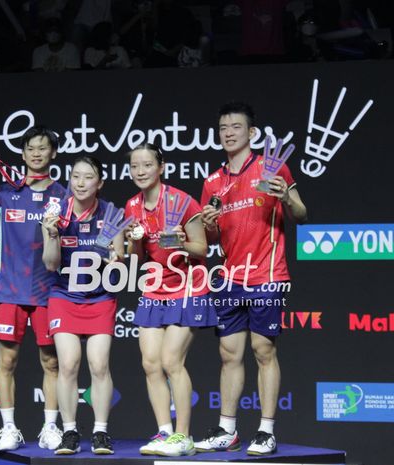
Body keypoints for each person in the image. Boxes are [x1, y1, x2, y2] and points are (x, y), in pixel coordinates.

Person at [195, 102, 307, 456]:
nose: (228, 133)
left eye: (236, 127)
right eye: (223, 127)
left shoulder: (271, 167)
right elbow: (211, 240)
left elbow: (301, 215)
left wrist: (286, 195)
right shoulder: (212, 181)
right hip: (230, 278)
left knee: (263, 350)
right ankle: (227, 429)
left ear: (252, 133)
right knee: (229, 354)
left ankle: (266, 430)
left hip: (267, 273)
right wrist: (210, 225)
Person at [0, 126, 67, 451]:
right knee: (7, 362)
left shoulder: (62, 196)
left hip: (49, 292)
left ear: (52, 154)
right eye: (30, 148)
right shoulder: (5, 193)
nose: (36, 153)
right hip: (9, 292)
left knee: (52, 363)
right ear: (22, 154)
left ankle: (50, 428)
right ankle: (8, 429)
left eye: (43, 148)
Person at [123, 143, 216, 457]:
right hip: (153, 289)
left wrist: (181, 243)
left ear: (160, 167)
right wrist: (133, 242)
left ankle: (183, 436)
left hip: (188, 287)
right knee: (150, 364)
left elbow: (202, 249)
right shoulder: (132, 206)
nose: (140, 171)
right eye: (135, 166)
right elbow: (137, 258)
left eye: (147, 165)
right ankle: (164, 431)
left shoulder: (181, 201)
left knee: (171, 361)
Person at [41, 156, 124, 455]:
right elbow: (51, 264)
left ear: (99, 183)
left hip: (100, 298)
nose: (80, 182)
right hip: (64, 296)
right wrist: (52, 235)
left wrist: (114, 260)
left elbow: (120, 261)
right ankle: (70, 433)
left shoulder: (113, 214)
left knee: (99, 364)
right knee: (68, 364)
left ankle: (100, 433)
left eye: (88, 177)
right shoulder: (55, 213)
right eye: (75, 176)